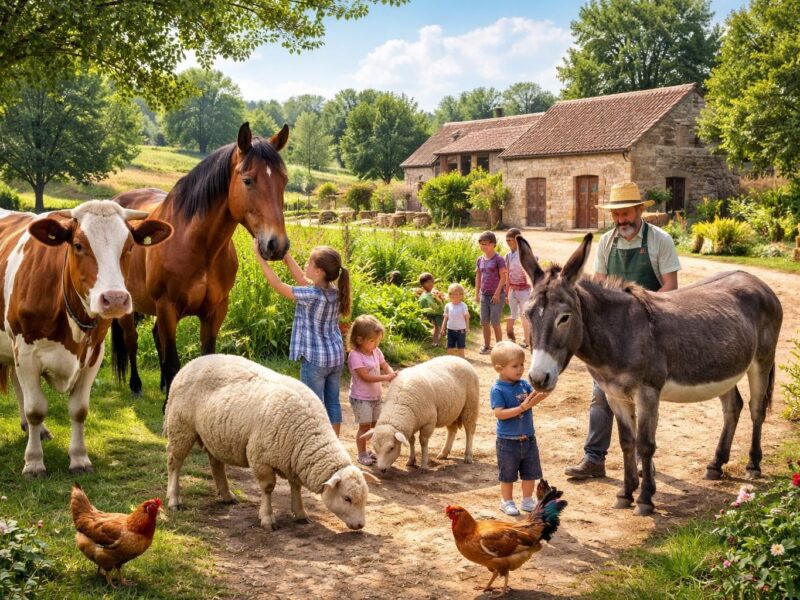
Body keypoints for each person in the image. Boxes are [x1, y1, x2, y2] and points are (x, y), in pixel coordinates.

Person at [564, 182, 681, 479]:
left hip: (648, 329)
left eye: (626, 213)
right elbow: (599, 285)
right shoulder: (606, 242)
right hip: (613, 333)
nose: (621, 220)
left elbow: (670, 287)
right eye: (616, 215)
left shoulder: (659, 240)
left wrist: (645, 312)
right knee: (601, 395)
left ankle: (644, 460)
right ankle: (594, 458)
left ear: (640, 210)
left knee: (643, 398)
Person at [253, 243, 351, 437]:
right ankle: (334, 442)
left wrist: (260, 258)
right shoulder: (335, 292)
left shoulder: (312, 295)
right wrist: (287, 257)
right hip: (335, 357)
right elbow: (304, 280)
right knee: (332, 402)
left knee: (312, 404)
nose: (305, 265)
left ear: (319, 272)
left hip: (315, 361)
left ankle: (317, 443)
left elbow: (278, 285)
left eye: (308, 262)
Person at [490, 341, 549, 516]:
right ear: (500, 369)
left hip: (528, 439)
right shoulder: (498, 389)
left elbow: (536, 396)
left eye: (522, 364)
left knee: (530, 473)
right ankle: (506, 501)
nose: (520, 369)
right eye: (515, 366)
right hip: (507, 442)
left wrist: (545, 390)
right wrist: (522, 408)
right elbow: (499, 414)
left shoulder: (524, 384)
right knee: (507, 475)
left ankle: (527, 500)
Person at [347, 315, 398, 466]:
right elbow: (364, 377)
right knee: (364, 426)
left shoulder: (376, 351)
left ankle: (372, 450)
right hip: (361, 397)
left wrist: (392, 373)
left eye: (378, 341)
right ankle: (361, 454)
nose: (376, 344)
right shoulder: (354, 356)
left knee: (376, 425)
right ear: (359, 339)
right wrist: (386, 378)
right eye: (372, 341)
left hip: (375, 396)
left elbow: (384, 364)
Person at [475, 231, 508, 355]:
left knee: (495, 321)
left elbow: (503, 277)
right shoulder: (480, 259)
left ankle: (500, 348)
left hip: (497, 295)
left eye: (486, 244)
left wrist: (497, 293)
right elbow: (478, 276)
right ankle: (487, 346)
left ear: (493, 244)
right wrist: (476, 293)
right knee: (484, 322)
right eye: (481, 244)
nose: (483, 246)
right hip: (484, 294)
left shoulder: (499, 259)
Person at [503, 228, 531, 348]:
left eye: (510, 240)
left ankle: (528, 341)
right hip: (512, 290)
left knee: (524, 316)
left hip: (524, 289)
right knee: (513, 314)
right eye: (506, 240)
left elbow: (531, 272)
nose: (508, 242)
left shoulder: (526, 254)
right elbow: (507, 274)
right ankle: (511, 337)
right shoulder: (508, 256)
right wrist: (507, 290)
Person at [441, 282, 470, 358]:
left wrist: (467, 327)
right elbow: (446, 318)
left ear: (461, 295)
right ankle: (450, 361)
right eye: (453, 294)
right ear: (449, 295)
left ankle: (462, 361)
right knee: (450, 347)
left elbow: (467, 317)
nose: (455, 296)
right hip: (450, 330)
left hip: (461, 330)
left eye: (458, 294)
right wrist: (442, 328)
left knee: (461, 348)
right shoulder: (448, 306)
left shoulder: (463, 306)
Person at [417, 272, 445, 345]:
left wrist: (440, 297)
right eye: (426, 282)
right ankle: (436, 341)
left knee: (440, 327)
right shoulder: (424, 295)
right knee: (437, 327)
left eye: (431, 282)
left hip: (439, 312)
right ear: (422, 285)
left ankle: (439, 341)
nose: (429, 284)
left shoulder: (435, 292)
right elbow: (422, 305)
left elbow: (441, 300)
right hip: (433, 314)